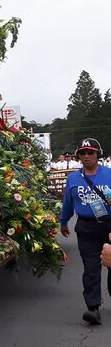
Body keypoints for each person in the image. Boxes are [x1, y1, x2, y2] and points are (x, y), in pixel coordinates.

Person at [60, 138, 111, 325]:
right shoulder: (73, 178)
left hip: (109, 226)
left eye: (91, 153)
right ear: (78, 156)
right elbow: (68, 203)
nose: (87, 156)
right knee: (91, 269)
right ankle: (93, 308)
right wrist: (63, 222)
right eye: (83, 153)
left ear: (99, 154)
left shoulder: (109, 174)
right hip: (86, 228)